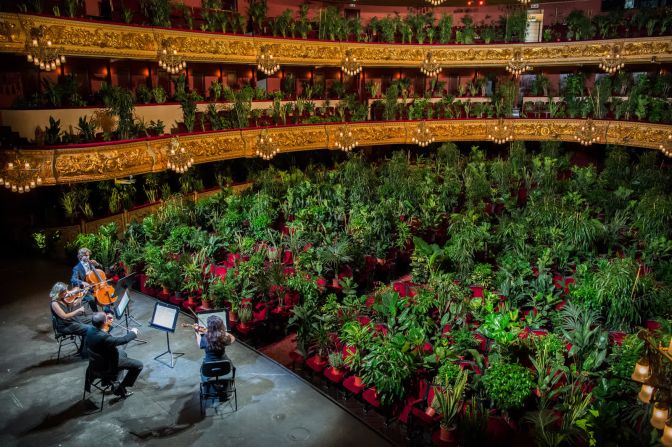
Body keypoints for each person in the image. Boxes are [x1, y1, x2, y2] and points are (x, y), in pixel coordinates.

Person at [85, 312, 143, 399]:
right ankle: (120, 388)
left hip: (95, 362)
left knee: (122, 353)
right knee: (138, 365)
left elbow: (103, 330)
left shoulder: (90, 329)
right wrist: (133, 333)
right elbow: (123, 340)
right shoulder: (104, 338)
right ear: (104, 323)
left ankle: (110, 380)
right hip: (107, 365)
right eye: (106, 318)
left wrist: (107, 322)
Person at [50, 282, 92, 357]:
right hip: (64, 325)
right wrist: (78, 310)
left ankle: (83, 349)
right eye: (65, 291)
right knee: (88, 330)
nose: (67, 292)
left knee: (92, 319)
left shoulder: (62, 299)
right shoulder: (54, 303)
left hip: (71, 320)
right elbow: (64, 316)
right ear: (59, 293)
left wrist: (83, 293)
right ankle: (85, 353)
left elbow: (74, 303)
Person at [195, 315, 235, 382]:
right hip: (225, 367)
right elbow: (233, 338)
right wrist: (222, 331)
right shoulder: (225, 338)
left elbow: (199, 344)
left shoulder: (204, 339)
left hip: (208, 369)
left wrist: (197, 332)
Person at [71, 247, 100, 313]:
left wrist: (97, 264)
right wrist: (83, 282)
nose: (88, 257)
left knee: (105, 294)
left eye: (89, 255)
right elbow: (73, 279)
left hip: (94, 286)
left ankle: (107, 311)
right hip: (85, 289)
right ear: (81, 256)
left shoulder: (91, 263)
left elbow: (100, 271)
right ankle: (96, 314)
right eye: (86, 255)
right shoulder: (77, 268)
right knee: (92, 299)